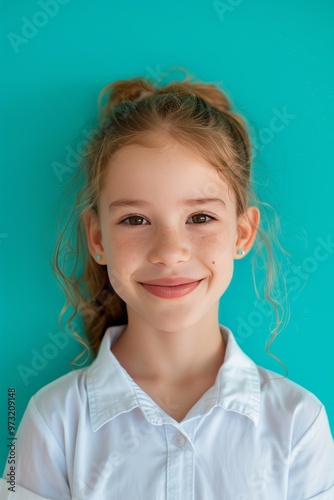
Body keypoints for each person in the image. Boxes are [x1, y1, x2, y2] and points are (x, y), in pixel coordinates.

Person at [1, 70, 333, 500]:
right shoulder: (51, 420)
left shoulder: (298, 423)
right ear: (98, 238)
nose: (170, 252)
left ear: (243, 234)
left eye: (200, 218)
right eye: (135, 220)